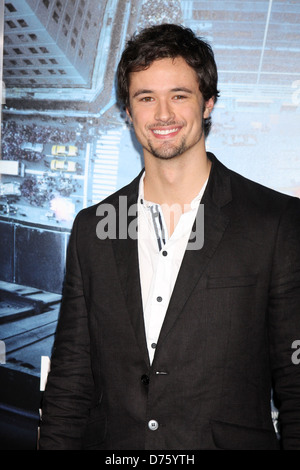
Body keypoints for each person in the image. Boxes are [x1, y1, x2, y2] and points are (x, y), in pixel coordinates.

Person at [39, 23, 300, 450]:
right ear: (127, 110)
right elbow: (70, 380)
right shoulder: (94, 228)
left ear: (208, 103)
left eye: (179, 95)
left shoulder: (275, 222)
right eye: (146, 98)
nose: (163, 115)